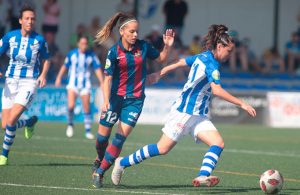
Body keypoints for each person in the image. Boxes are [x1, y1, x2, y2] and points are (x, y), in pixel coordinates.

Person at [111, 24, 257, 187]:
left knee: (218, 143)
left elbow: (180, 62)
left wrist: (160, 73)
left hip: (198, 115)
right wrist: (242, 103)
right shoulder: (211, 64)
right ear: (220, 46)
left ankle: (203, 176)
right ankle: (122, 162)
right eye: (229, 51)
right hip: (184, 112)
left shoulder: (204, 56)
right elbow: (216, 90)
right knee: (162, 148)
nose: (230, 55)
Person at [91, 12, 175, 188]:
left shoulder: (144, 46)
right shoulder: (114, 52)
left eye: (137, 31)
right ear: (122, 32)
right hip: (114, 100)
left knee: (119, 139)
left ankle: (100, 172)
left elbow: (161, 59)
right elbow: (107, 79)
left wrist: (167, 46)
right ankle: (100, 158)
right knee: (101, 139)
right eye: (132, 31)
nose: (136, 35)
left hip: (135, 101)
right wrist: (106, 101)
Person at [0, 5, 50, 165]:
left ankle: (4, 155)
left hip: (29, 82)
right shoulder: (10, 37)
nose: (30, 21)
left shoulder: (39, 40)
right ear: (20, 20)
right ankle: (29, 122)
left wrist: (42, 75)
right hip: (10, 81)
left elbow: (46, 59)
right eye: (27, 18)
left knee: (12, 119)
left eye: (33, 19)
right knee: (5, 124)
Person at [55, 35, 104, 140]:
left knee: (86, 107)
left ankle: (87, 131)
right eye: (82, 43)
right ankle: (70, 125)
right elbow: (65, 66)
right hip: (73, 84)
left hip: (85, 85)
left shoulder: (91, 55)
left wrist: (102, 81)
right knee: (71, 106)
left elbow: (97, 69)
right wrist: (58, 77)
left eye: (86, 44)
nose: (84, 46)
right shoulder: (72, 54)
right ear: (78, 44)